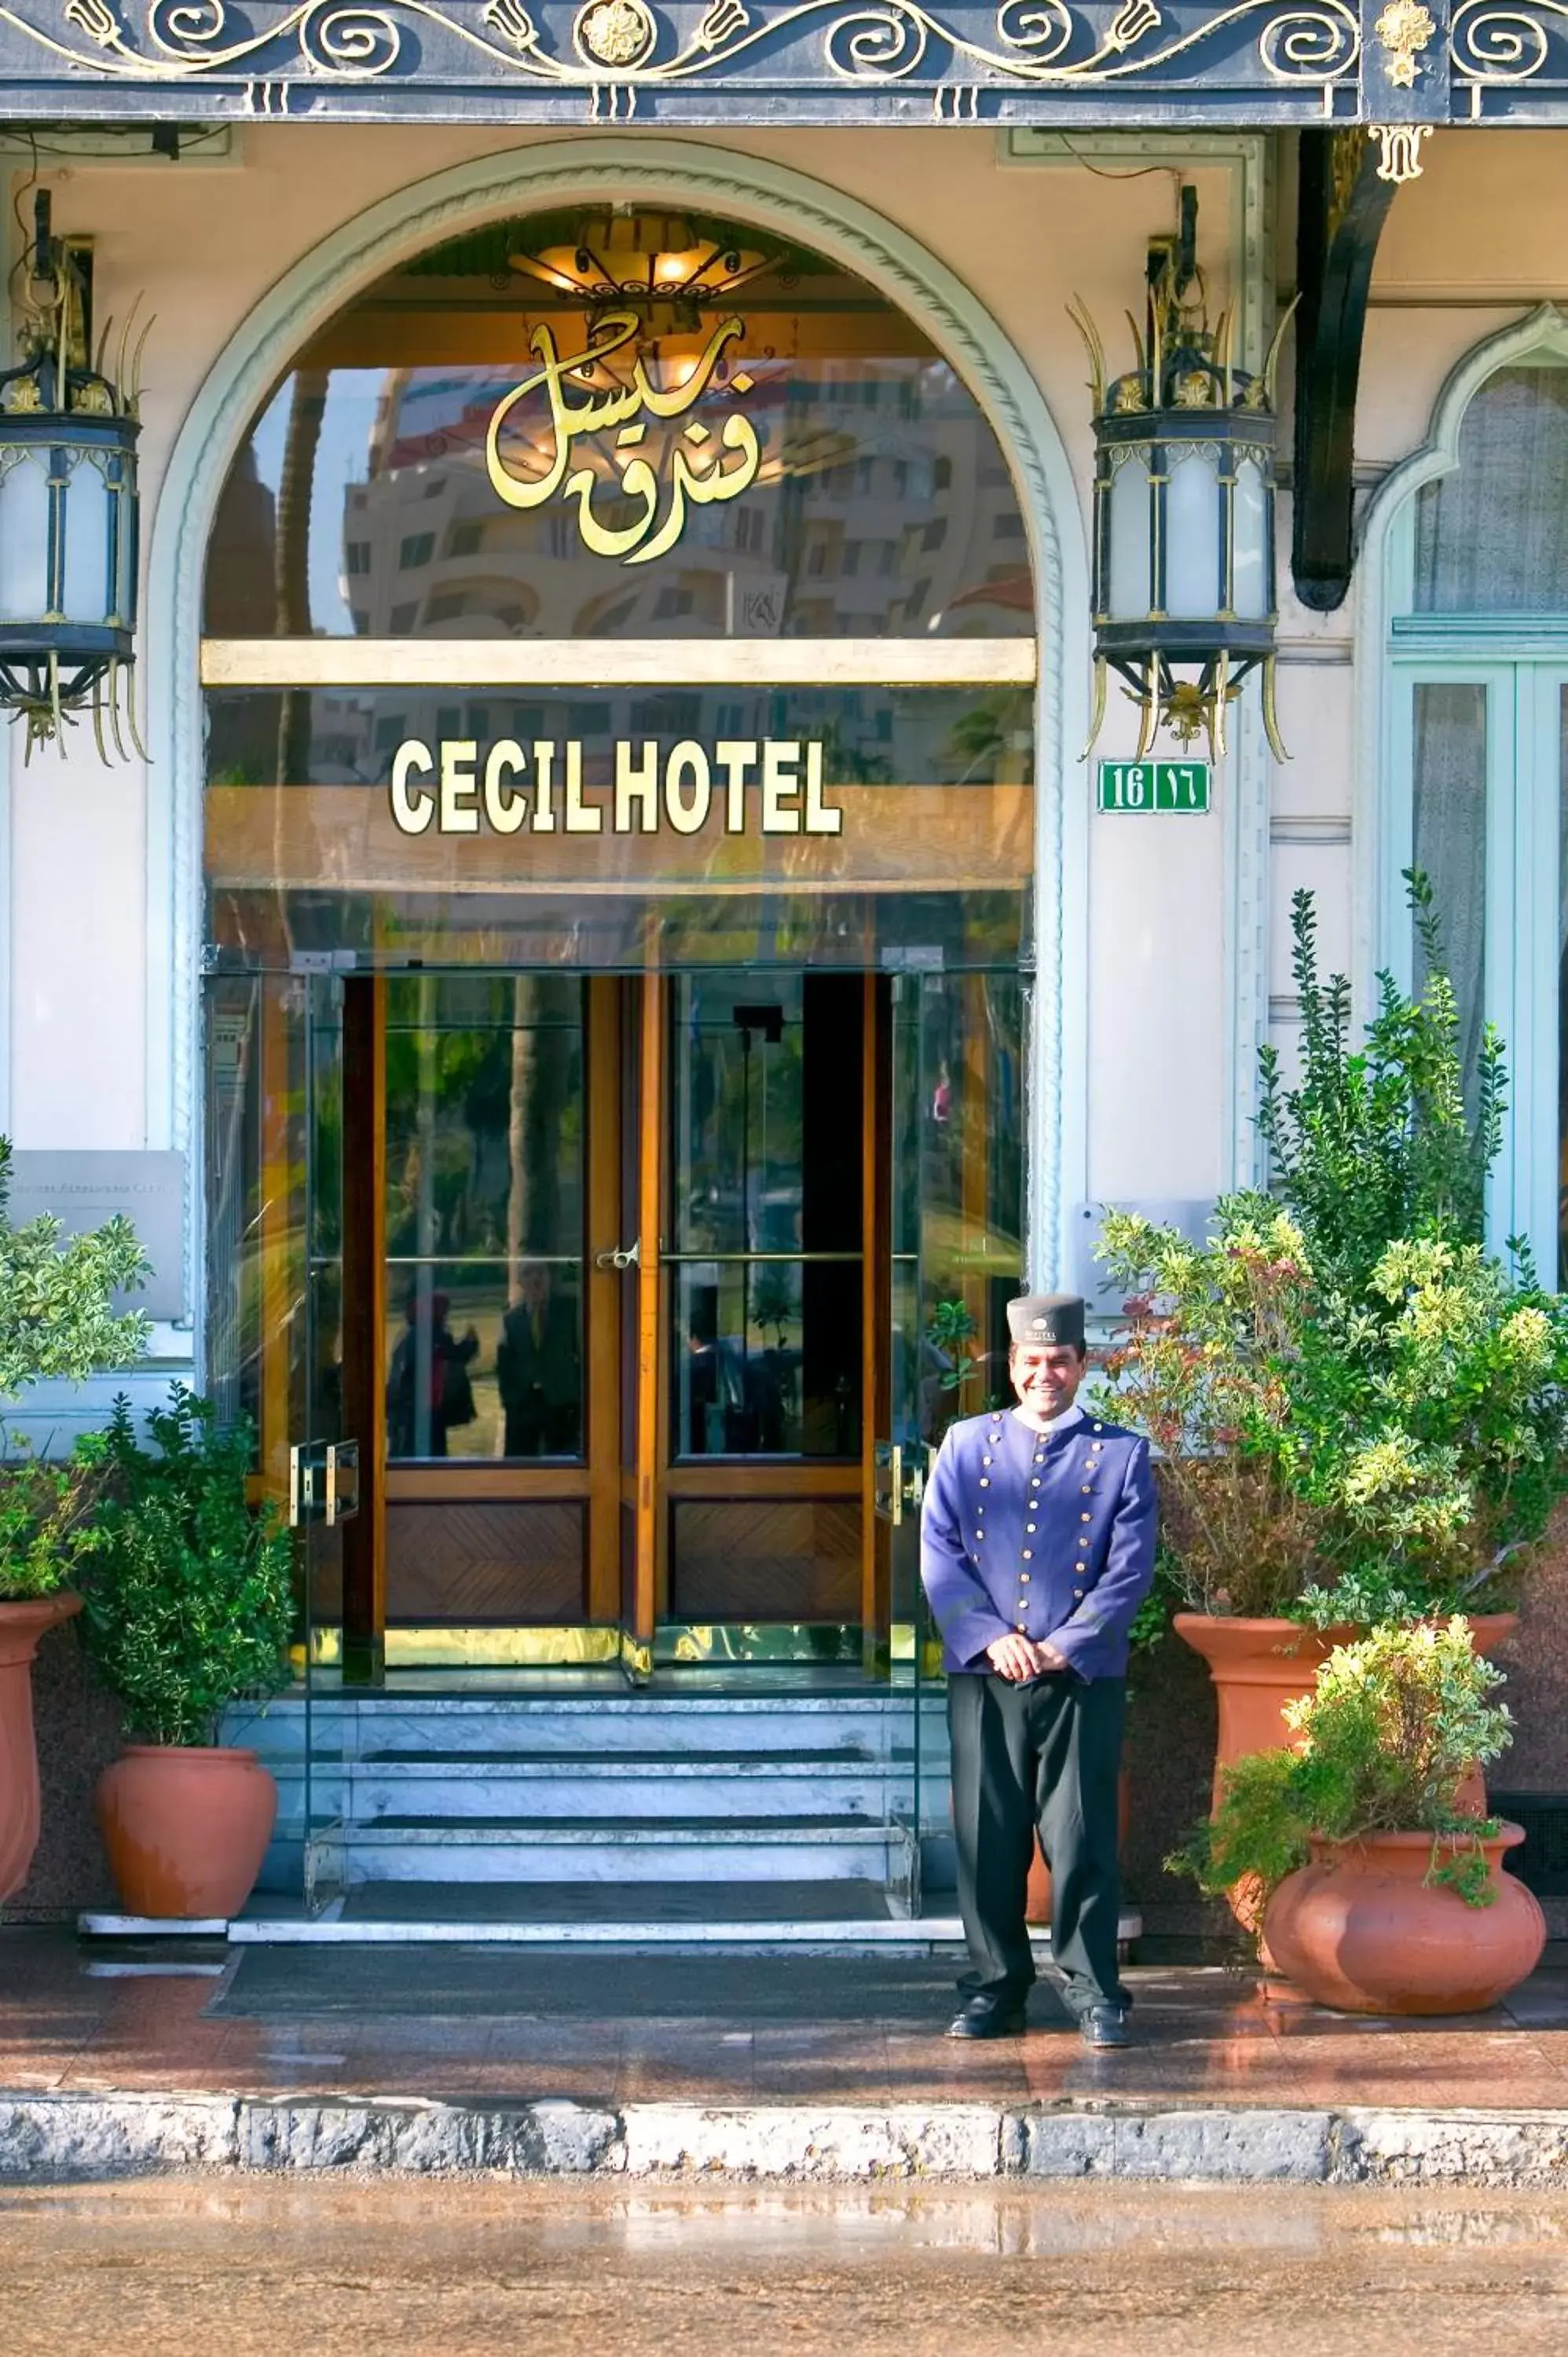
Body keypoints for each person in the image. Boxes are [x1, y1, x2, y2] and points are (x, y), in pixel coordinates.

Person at [920, 1291, 1156, 2048]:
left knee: (1080, 1835)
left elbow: (1129, 1570)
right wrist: (990, 1637)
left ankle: (1096, 1992)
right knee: (988, 1839)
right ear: (1012, 1367)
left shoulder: (1122, 1455)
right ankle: (996, 1988)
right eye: (1031, 1361)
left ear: (1084, 1365)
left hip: (1081, 1677)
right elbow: (940, 1555)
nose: (1044, 1373)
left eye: (1059, 1360)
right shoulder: (963, 1445)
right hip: (987, 1676)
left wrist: (1069, 1643)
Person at [496, 1264, 581, 1457]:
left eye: (541, 1273)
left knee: (564, 1460)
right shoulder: (512, 1319)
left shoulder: (570, 1310)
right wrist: (509, 1399)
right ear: (520, 1282)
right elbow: (504, 1364)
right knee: (520, 1463)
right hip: (523, 1403)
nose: (535, 1280)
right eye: (528, 1274)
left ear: (550, 1277)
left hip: (561, 1401)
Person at [386, 1287, 478, 1460]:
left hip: (410, 1415)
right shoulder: (429, 1335)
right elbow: (455, 1355)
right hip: (418, 1415)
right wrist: (470, 1343)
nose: (444, 1316)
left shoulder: (409, 1335)